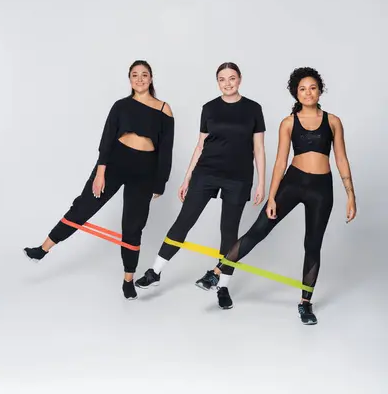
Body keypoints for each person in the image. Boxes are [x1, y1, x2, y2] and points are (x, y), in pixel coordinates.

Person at [213, 67, 357, 324]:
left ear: (319, 90)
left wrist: (351, 195)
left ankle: (305, 303)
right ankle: (216, 272)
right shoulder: (288, 123)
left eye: (312, 87)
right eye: (302, 89)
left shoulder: (333, 121)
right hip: (293, 182)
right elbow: (280, 162)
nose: (308, 92)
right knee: (259, 229)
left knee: (313, 245)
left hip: (321, 188)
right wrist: (271, 197)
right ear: (296, 93)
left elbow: (342, 159)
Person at [24, 60, 174, 301]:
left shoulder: (164, 109)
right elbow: (107, 139)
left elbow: (166, 150)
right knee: (83, 206)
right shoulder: (121, 106)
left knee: (133, 226)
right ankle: (43, 249)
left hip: (145, 169)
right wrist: (101, 172)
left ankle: (128, 280)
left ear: (151, 78)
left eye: (144, 75)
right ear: (129, 79)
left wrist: (160, 183)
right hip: (115, 162)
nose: (139, 79)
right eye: (134, 75)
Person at [135, 62, 266, 309]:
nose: (227, 83)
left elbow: (258, 148)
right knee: (184, 221)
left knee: (229, 232)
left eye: (232, 78)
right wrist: (186, 178)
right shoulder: (209, 108)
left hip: (238, 177)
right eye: (222, 79)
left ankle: (222, 285)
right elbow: (200, 145)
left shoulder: (253, 109)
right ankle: (155, 272)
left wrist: (261, 182)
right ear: (217, 82)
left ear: (240, 79)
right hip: (206, 172)